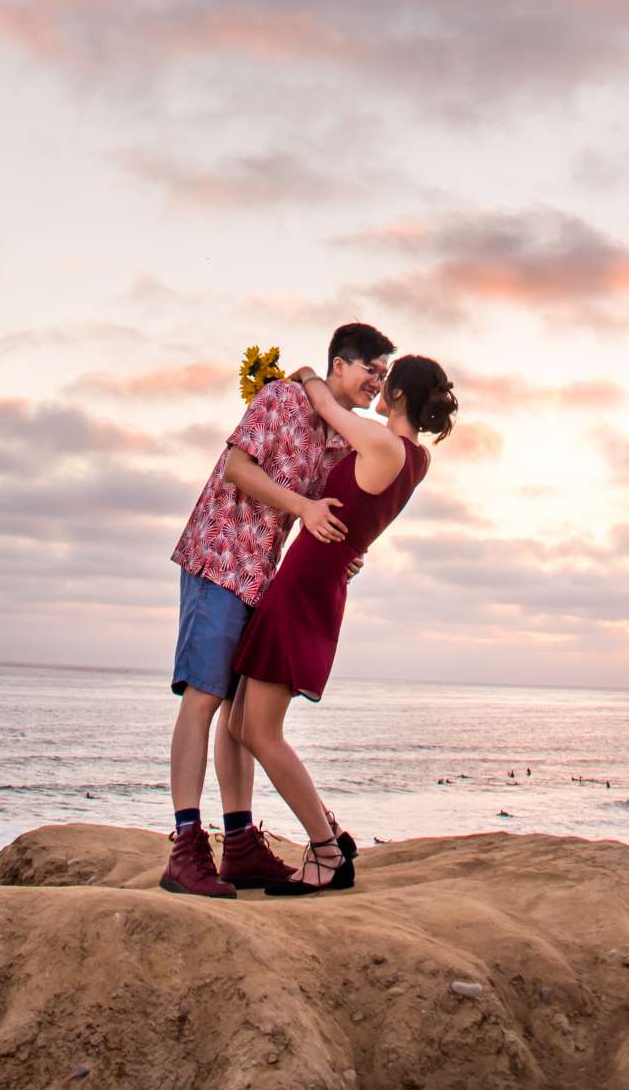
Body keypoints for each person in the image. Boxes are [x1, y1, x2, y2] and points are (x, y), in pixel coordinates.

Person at [161, 321, 395, 898]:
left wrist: (344, 553)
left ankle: (238, 843)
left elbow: (343, 507)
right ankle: (186, 848)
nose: (376, 382)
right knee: (204, 696)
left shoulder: (343, 437)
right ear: (339, 364)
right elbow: (238, 468)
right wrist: (304, 506)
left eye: (385, 375)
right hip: (220, 553)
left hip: (263, 574)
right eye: (370, 369)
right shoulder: (281, 398)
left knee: (240, 708)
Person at [226, 351, 458, 894]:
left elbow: (326, 405)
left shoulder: (384, 445)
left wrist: (307, 374)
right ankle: (331, 830)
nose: (377, 384)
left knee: (260, 731)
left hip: (307, 585)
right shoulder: (416, 459)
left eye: (385, 379)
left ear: (398, 394)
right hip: (314, 578)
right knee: (241, 726)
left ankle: (327, 853)